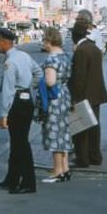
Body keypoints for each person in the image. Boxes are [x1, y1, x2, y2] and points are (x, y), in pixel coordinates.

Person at [0, 26, 42, 194]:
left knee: (20, 144)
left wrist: (3, 115)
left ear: (4, 42)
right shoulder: (24, 56)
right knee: (17, 142)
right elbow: (39, 73)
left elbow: (7, 92)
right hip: (26, 102)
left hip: (16, 105)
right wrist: (29, 87)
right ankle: (12, 179)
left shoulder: (10, 62)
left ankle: (29, 182)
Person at [69, 17, 107, 168]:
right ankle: (95, 156)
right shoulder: (95, 49)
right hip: (97, 93)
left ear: (74, 36)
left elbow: (79, 78)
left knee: (81, 128)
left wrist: (74, 98)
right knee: (94, 126)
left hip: (84, 95)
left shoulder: (81, 51)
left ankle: (82, 159)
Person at [39, 27, 73, 183]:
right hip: (65, 96)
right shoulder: (65, 56)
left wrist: (41, 81)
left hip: (54, 98)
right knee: (64, 132)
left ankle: (57, 170)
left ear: (50, 41)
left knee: (54, 132)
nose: (42, 43)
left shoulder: (51, 59)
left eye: (44, 40)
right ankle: (65, 168)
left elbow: (50, 81)